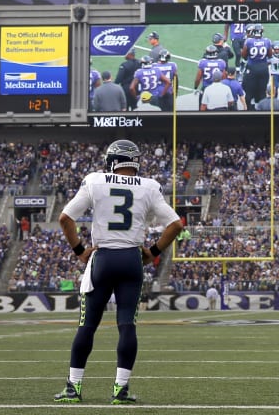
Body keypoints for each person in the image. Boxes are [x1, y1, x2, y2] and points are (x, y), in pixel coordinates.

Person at [54, 140, 184, 405]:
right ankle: (120, 391)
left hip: (102, 257)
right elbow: (175, 224)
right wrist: (153, 251)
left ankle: (73, 388)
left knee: (87, 326)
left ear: (112, 161)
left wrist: (79, 250)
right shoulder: (149, 186)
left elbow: (65, 218)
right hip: (131, 259)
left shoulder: (95, 180)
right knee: (127, 325)